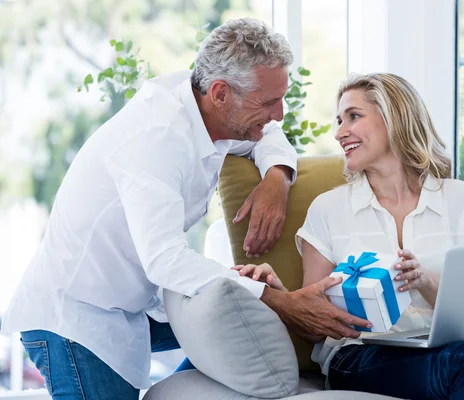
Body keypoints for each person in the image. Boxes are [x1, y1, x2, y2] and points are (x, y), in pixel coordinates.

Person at [1, 18, 371, 400]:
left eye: (281, 99)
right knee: (252, 310)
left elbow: (270, 134)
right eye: (268, 102)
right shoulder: (156, 139)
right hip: (77, 318)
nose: (278, 114)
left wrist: (277, 178)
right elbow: (164, 259)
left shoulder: (209, 109)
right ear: (221, 93)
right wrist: (283, 302)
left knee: (236, 326)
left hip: (133, 307)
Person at [241, 73, 464, 400]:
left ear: (393, 117)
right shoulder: (329, 208)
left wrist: (425, 281)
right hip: (361, 356)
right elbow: (315, 329)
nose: (339, 132)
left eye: (353, 116)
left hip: (450, 349)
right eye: (339, 121)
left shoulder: (458, 197)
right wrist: (282, 295)